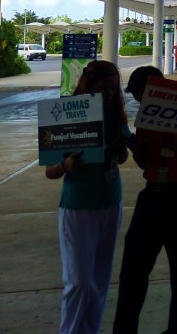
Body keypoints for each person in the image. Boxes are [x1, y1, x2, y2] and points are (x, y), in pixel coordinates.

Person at [112, 66, 177, 334]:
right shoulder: (147, 119)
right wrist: (136, 148)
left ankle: (175, 329)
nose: (140, 102)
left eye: (142, 96)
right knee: (132, 272)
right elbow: (145, 162)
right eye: (137, 99)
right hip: (152, 194)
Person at [44, 60, 129, 334]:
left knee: (100, 279)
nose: (108, 94)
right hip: (78, 205)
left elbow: (125, 156)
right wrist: (65, 166)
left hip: (110, 201)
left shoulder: (117, 117)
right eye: (102, 88)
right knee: (78, 281)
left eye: (114, 89)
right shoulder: (67, 114)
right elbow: (51, 172)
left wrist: (122, 148)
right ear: (87, 86)